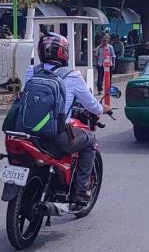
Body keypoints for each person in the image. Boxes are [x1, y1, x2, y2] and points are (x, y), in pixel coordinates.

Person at [23, 33, 111, 205]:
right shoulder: (72, 76)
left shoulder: (31, 71)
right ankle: (81, 190)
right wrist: (103, 109)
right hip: (55, 135)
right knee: (91, 141)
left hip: (27, 131)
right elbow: (91, 104)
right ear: (64, 53)